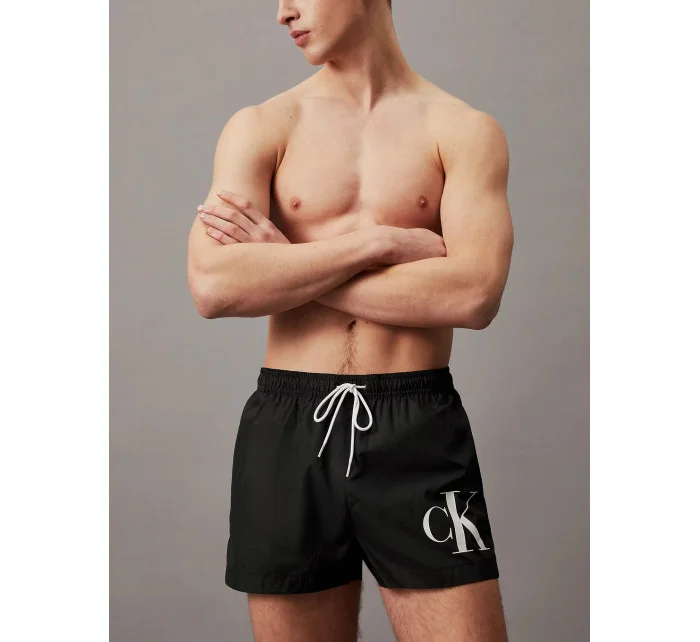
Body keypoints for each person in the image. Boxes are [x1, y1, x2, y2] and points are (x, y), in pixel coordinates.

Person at [187, 0, 514, 640]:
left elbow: (474, 295)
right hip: (288, 428)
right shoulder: (262, 126)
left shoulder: (462, 130)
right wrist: (378, 244)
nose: (283, 13)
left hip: (417, 426)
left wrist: (287, 261)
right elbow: (214, 285)